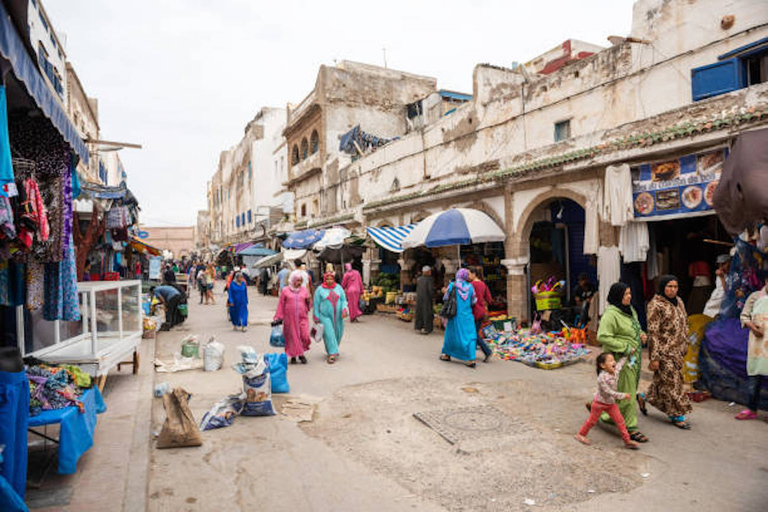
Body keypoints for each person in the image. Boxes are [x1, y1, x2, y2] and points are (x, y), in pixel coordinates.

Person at [595, 282, 649, 443]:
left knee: (620, 390)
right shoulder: (610, 314)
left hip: (634, 359)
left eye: (630, 293)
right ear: (618, 296)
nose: (629, 296)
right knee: (628, 392)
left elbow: (635, 327)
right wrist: (625, 347)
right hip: (620, 360)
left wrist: (641, 334)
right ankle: (631, 428)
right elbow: (602, 336)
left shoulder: (629, 310)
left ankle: (602, 411)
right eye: (626, 294)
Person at [637, 275, 692, 429]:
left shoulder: (679, 301)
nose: (673, 290)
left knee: (662, 382)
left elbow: (684, 322)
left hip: (678, 351)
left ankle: (643, 397)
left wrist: (685, 345)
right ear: (662, 287)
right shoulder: (655, 305)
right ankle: (677, 414)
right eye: (669, 286)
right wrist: (654, 358)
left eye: (675, 287)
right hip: (664, 352)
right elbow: (653, 332)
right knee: (673, 382)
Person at [575, 351, 640, 449]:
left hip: (610, 404)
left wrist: (628, 353)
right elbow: (609, 392)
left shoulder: (615, 370)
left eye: (613, 360)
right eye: (610, 361)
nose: (614, 362)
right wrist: (623, 395)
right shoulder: (601, 378)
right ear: (602, 365)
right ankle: (580, 434)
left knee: (620, 422)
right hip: (599, 403)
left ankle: (627, 440)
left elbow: (621, 362)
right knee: (592, 421)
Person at [735, 274, 768, 421]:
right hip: (757, 343)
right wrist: (752, 327)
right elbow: (744, 315)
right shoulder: (755, 297)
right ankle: (751, 409)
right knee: (755, 376)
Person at [440, 268, 478, 368]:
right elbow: (474, 301)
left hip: (455, 315)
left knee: (452, 335)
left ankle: (447, 354)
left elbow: (445, 298)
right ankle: (471, 359)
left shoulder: (453, 285)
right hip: (467, 316)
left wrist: (445, 291)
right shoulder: (470, 287)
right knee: (470, 336)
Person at [275, 270, 312, 364]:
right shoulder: (285, 290)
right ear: (292, 280)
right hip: (289, 318)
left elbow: (309, 305)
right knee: (292, 337)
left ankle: (300, 352)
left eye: (300, 281)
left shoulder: (304, 290)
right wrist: (278, 317)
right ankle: (297, 355)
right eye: (297, 280)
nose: (299, 283)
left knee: (305, 335)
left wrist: (308, 301)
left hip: (302, 317)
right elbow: (281, 304)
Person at [313, 267, 348, 364]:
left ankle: (331, 348)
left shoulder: (339, 288)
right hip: (324, 316)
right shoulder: (319, 290)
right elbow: (316, 304)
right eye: (327, 279)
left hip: (338, 316)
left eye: (331, 279)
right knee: (329, 333)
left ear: (333, 279)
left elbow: (343, 300)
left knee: (338, 333)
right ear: (324, 279)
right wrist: (316, 316)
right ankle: (332, 354)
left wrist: (344, 309)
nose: (329, 281)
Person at [468, 267, 493, 363]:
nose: (468, 276)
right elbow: (489, 299)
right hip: (482, 311)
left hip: (474, 312)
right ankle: (471, 352)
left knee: (473, 333)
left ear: (474, 274)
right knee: (474, 332)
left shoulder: (471, 285)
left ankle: (487, 351)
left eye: (469, 274)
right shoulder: (483, 284)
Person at [414, 266, 435, 335]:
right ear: (428, 272)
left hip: (420, 298)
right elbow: (430, 290)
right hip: (427, 299)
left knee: (420, 312)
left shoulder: (419, 279)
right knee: (427, 313)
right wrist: (433, 296)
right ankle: (427, 328)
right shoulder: (429, 280)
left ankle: (418, 326)